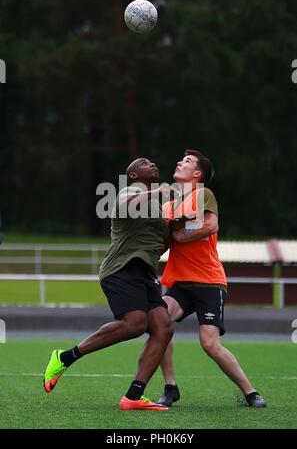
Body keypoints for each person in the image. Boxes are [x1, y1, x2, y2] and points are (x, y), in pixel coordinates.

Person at [43, 158, 174, 411]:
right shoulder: (131, 191)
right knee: (135, 324)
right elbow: (124, 206)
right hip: (121, 269)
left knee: (164, 328)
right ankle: (64, 357)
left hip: (144, 273)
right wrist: (156, 192)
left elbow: (163, 242)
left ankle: (133, 396)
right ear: (134, 175)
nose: (154, 164)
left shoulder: (155, 205)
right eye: (145, 163)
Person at [156, 149, 267, 408]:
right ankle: (170, 388)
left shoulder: (203, 194)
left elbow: (210, 225)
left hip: (208, 281)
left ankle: (251, 392)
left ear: (197, 174)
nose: (178, 162)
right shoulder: (167, 206)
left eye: (186, 161)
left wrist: (179, 234)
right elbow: (162, 244)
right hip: (179, 284)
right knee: (159, 325)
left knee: (209, 343)